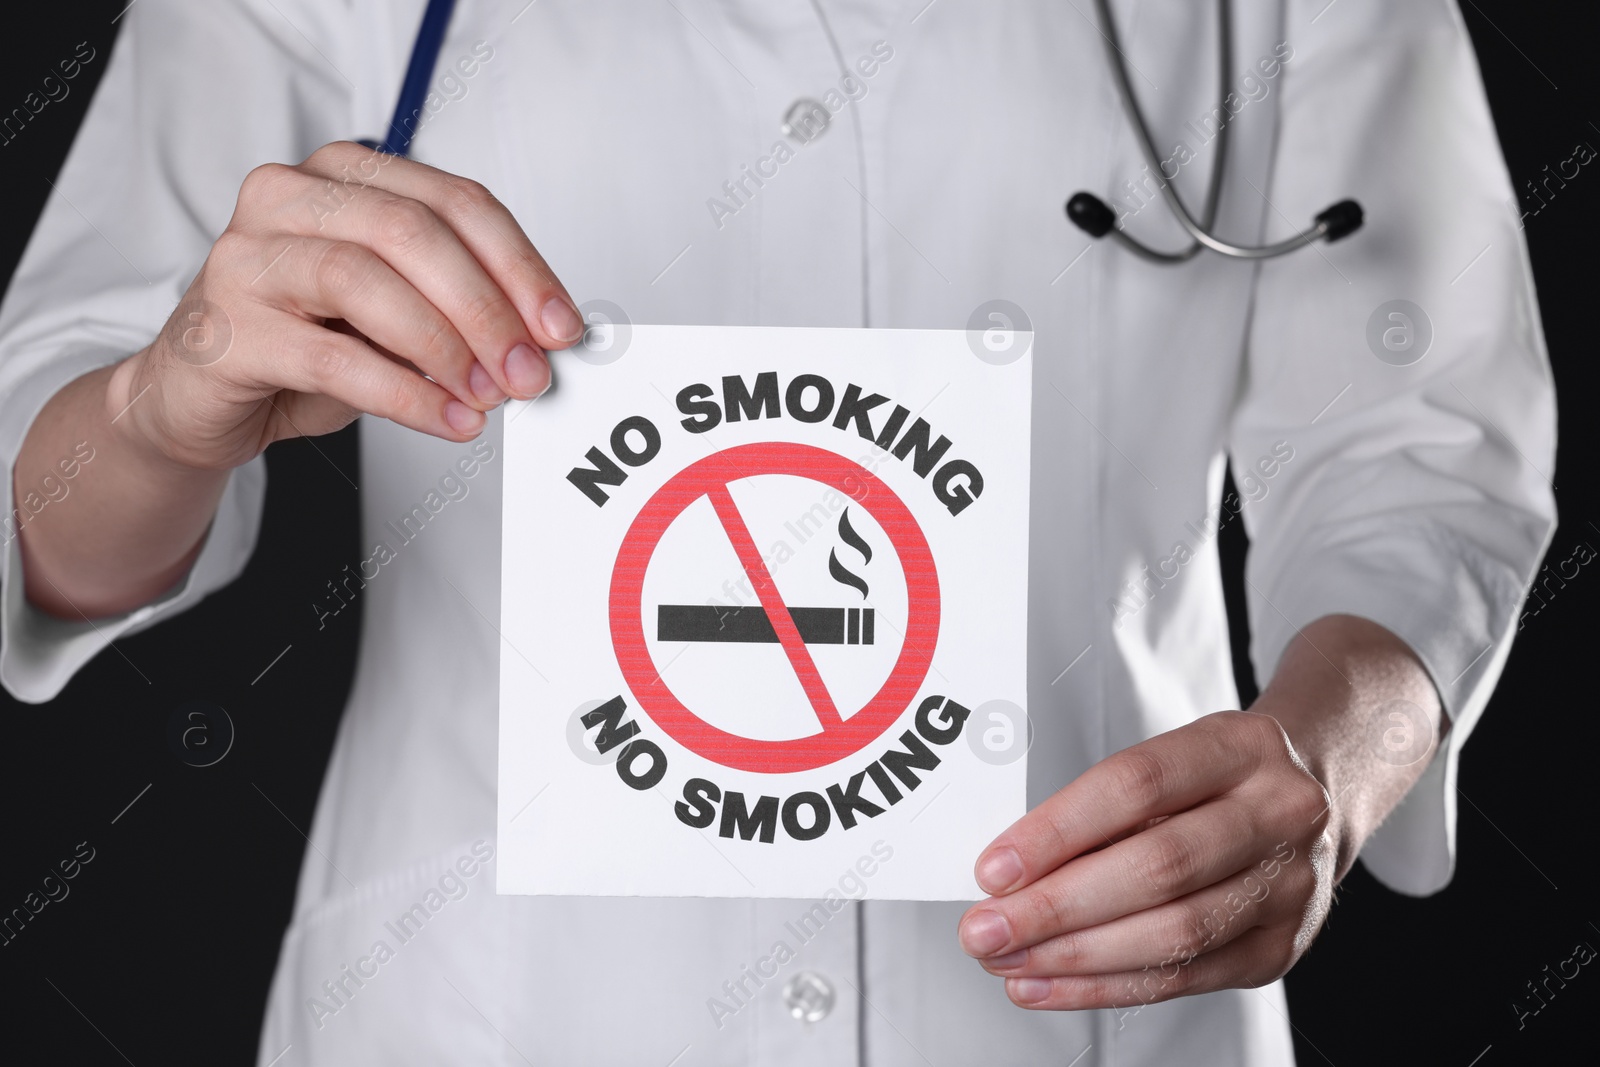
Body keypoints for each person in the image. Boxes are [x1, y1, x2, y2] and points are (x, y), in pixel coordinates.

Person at [0, 1, 1554, 1064]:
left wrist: (1333, 762)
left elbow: (1418, 446)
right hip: (492, 1008)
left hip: (1085, 1015)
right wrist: (156, 406)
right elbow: (44, 524)